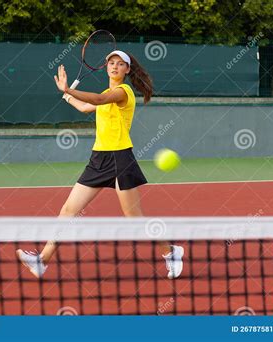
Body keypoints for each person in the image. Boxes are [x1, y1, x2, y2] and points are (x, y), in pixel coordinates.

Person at [17, 50, 184, 279]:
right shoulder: (107, 92)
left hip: (121, 159)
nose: (114, 66)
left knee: (134, 217)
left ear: (127, 70)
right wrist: (66, 96)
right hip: (98, 159)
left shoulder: (122, 92)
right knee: (68, 210)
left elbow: (98, 100)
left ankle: (171, 252)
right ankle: (42, 261)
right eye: (110, 63)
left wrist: (69, 89)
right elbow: (87, 107)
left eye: (119, 64)